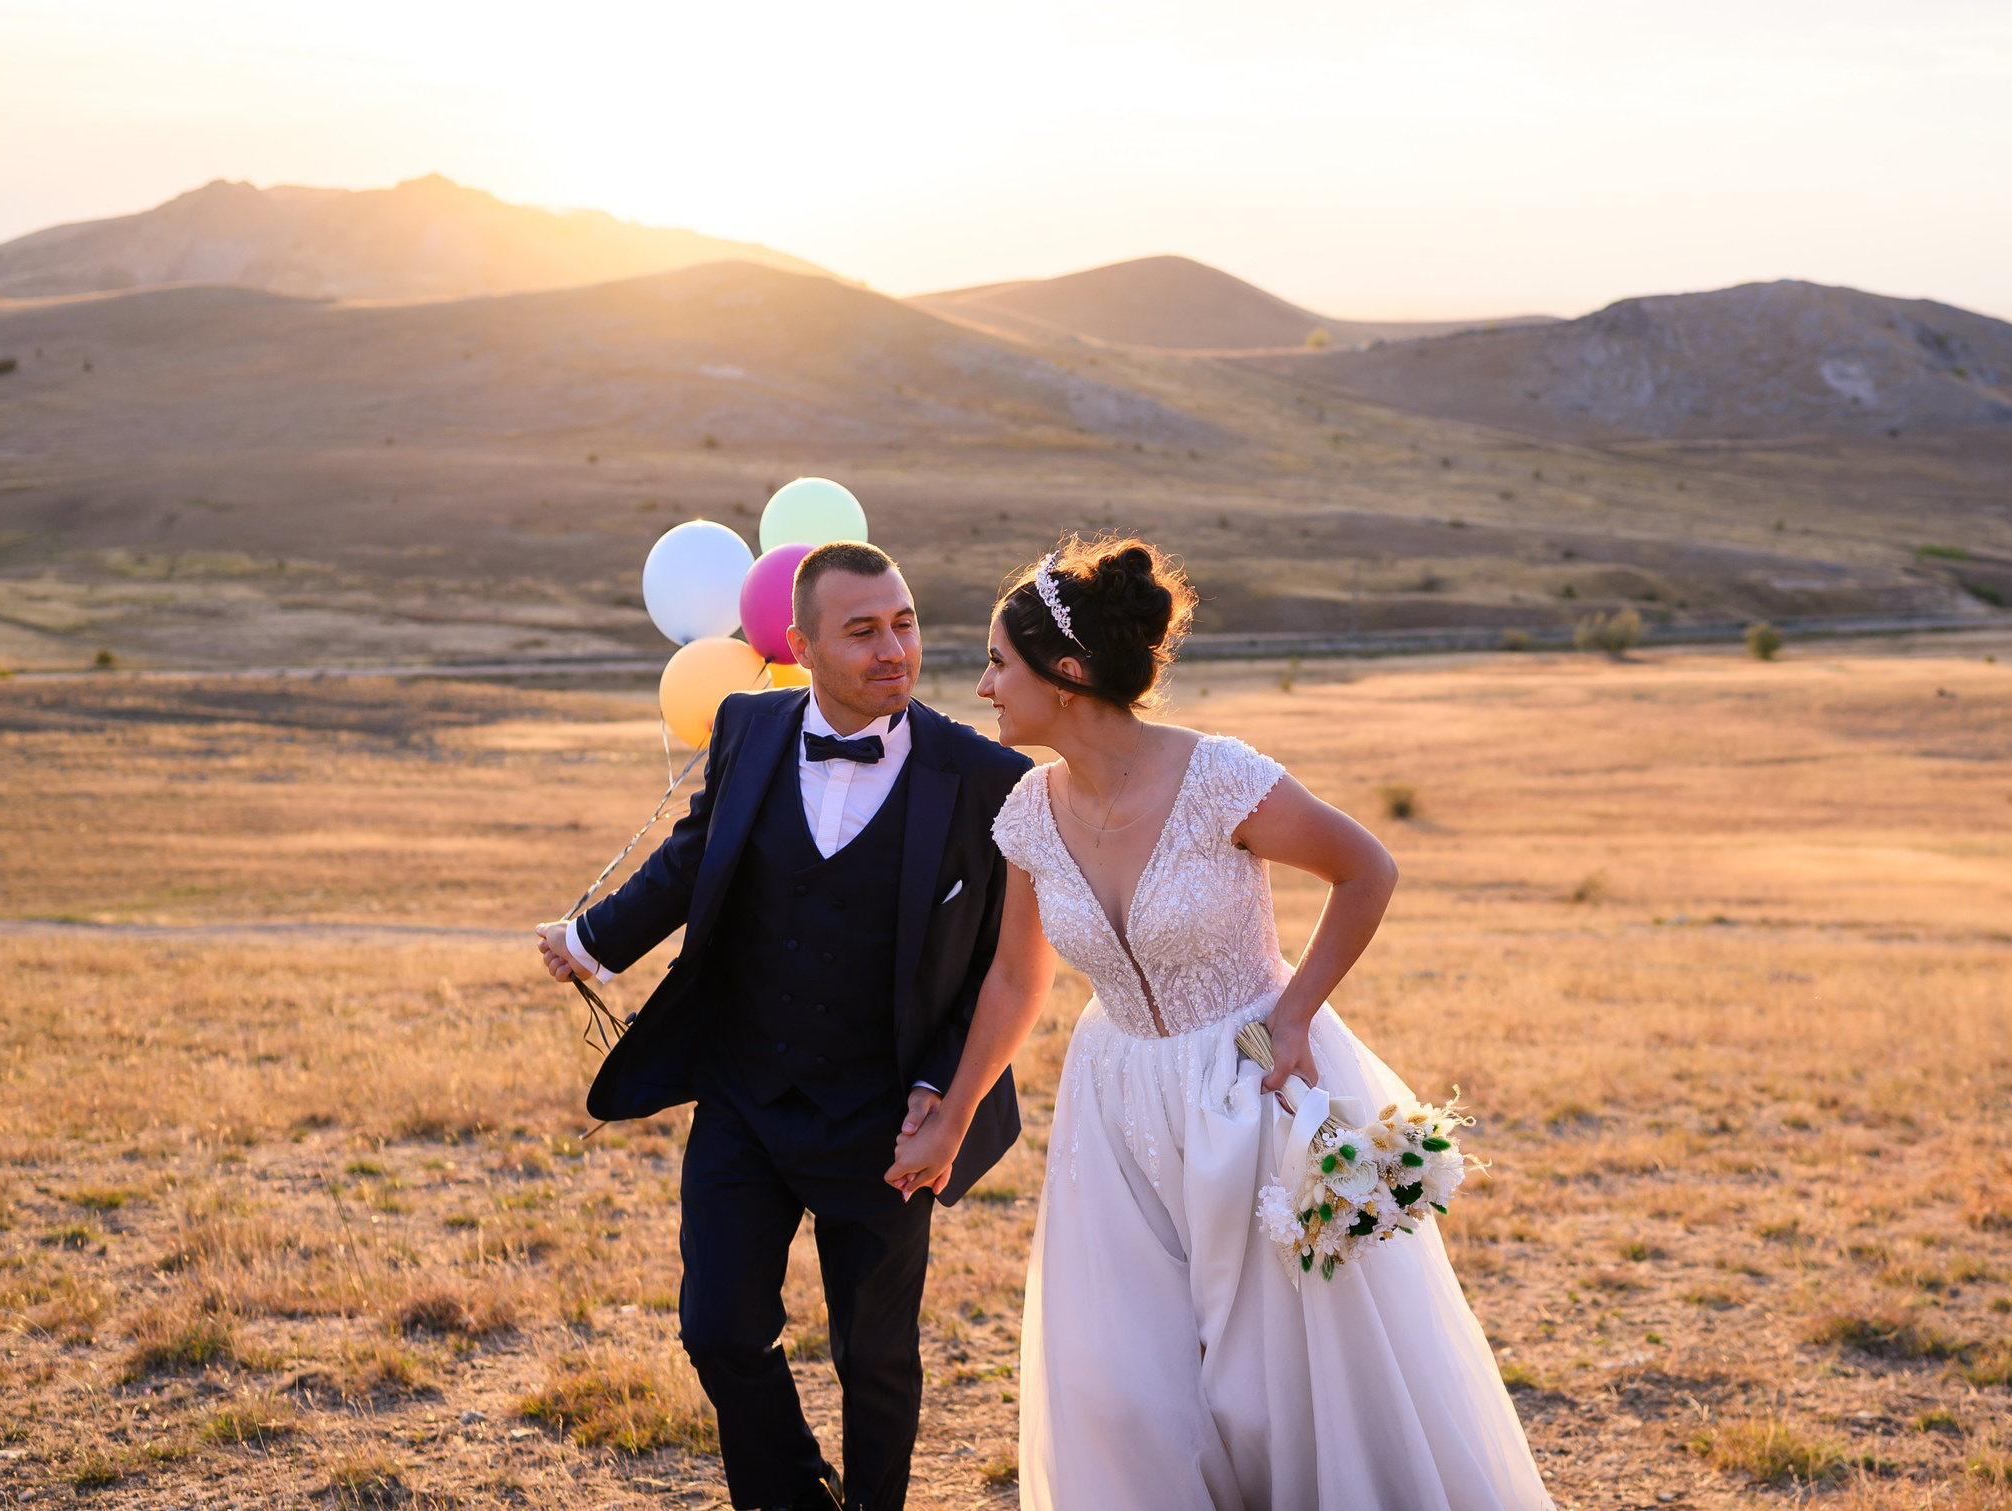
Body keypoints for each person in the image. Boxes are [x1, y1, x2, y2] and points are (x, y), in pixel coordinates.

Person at [886, 536, 1553, 1510]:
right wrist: (950, 1114)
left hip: (1252, 1085)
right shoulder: (1027, 810)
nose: (983, 686)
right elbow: (1013, 979)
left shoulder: (1219, 780)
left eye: (997, 661)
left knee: (1279, 1384)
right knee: (1120, 1382)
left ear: (1065, 676)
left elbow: (1366, 868)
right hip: (1112, 1103)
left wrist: (1293, 1015)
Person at [535, 541, 1031, 1511]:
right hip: (744, 1096)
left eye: (905, 621)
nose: (895, 648)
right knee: (717, 1328)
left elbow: (990, 964)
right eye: (862, 630)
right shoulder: (747, 725)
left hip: (887, 1116)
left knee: (875, 1356)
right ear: (800, 644)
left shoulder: (985, 775)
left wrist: (941, 1094)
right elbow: (694, 856)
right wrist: (594, 940)